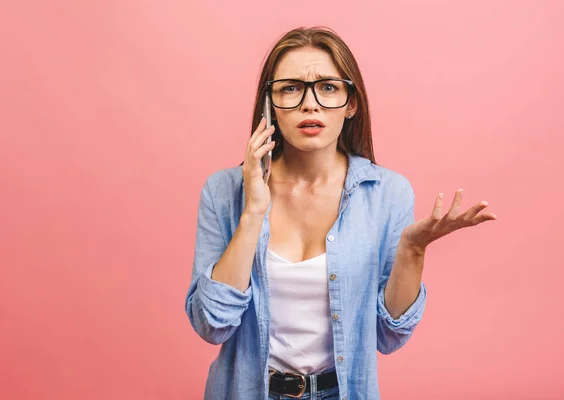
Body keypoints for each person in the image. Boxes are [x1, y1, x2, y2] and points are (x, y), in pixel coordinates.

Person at [185, 26, 496, 400]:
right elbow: (211, 324)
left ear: (351, 104)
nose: (309, 104)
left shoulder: (387, 194)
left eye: (328, 87)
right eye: (291, 88)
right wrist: (253, 210)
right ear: (269, 104)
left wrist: (412, 250)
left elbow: (389, 335)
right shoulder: (224, 191)